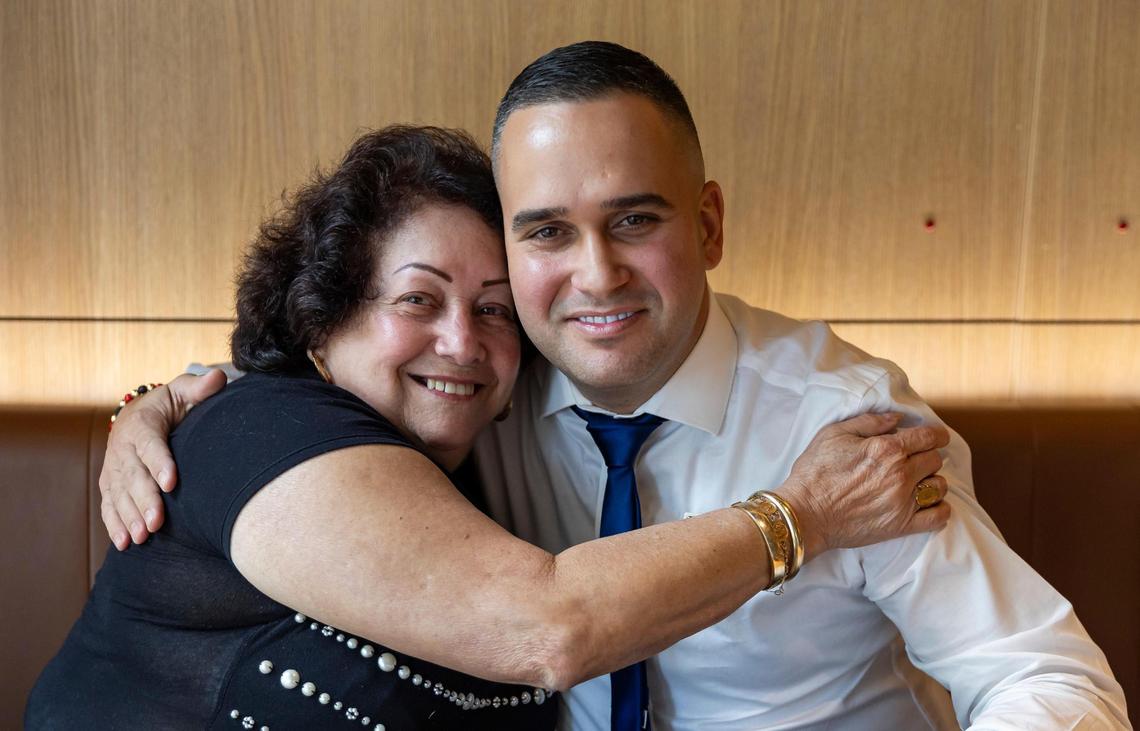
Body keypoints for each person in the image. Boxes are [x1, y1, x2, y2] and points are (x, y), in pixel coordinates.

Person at [96, 43, 1131, 730]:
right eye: (546, 233)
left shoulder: (846, 427)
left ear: (710, 224)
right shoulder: (493, 380)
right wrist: (166, 398)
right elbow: (336, 372)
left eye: (636, 219)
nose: (594, 275)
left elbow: (1046, 675)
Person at [29, 126, 949, 730]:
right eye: (418, 299)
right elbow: (549, 626)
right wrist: (806, 513)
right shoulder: (260, 429)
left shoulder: (487, 458)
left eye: (496, 308)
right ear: (323, 315)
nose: (463, 342)